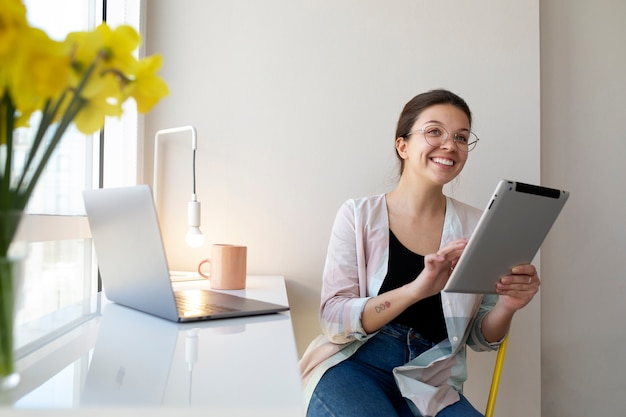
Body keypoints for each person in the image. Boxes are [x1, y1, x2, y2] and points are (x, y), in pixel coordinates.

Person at [299, 89, 540, 417]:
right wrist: (416, 290)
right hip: (356, 366)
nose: (449, 144)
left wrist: (509, 306)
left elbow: (482, 337)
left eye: (461, 137)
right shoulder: (357, 216)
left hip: (433, 380)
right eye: (434, 132)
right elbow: (333, 319)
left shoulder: (479, 225)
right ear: (403, 146)